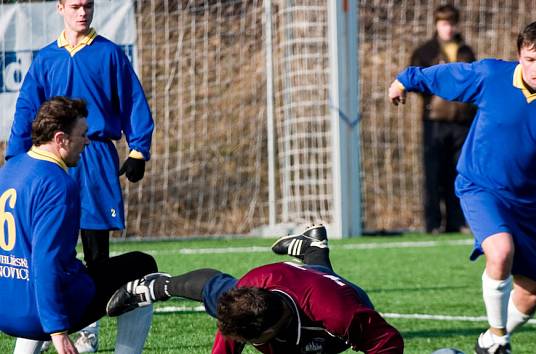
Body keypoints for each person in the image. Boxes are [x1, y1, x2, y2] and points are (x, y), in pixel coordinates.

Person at [388, 21, 536, 354]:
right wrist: (406, 79)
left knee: (531, 293)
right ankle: (499, 337)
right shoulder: (492, 76)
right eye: (530, 59)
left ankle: (488, 343)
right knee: (500, 251)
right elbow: (447, 76)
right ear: (519, 55)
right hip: (481, 186)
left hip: (532, 203)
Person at [5, 0, 154, 351]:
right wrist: (15, 158)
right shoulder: (46, 58)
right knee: (44, 249)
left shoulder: (110, 53)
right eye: (75, 6)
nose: (82, 12)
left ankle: (90, 328)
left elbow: (133, 100)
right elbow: (27, 107)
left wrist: (138, 149)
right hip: (50, 158)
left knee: (96, 250)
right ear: (60, 8)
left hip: (95, 154)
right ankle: (47, 328)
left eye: (88, 6)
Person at [0, 97, 157, 354]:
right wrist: (58, 332)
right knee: (142, 265)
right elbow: (46, 263)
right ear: (61, 139)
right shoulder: (57, 185)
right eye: (83, 135)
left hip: (5, 308)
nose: (87, 141)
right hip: (38, 315)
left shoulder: (9, 169)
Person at [105, 225, 405, 353]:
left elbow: (389, 342)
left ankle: (314, 249)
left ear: (269, 331)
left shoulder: (343, 316)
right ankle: (156, 286)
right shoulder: (245, 295)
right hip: (277, 281)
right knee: (215, 289)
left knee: (321, 275)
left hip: (332, 298)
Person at [408, 4, 476, 234]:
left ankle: (457, 222)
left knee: (459, 172)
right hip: (435, 120)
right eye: (444, 23)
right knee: (434, 173)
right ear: (437, 25)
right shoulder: (425, 52)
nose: (448, 28)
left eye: (451, 23)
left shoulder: (466, 51)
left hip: (462, 122)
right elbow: (415, 80)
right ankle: (433, 223)